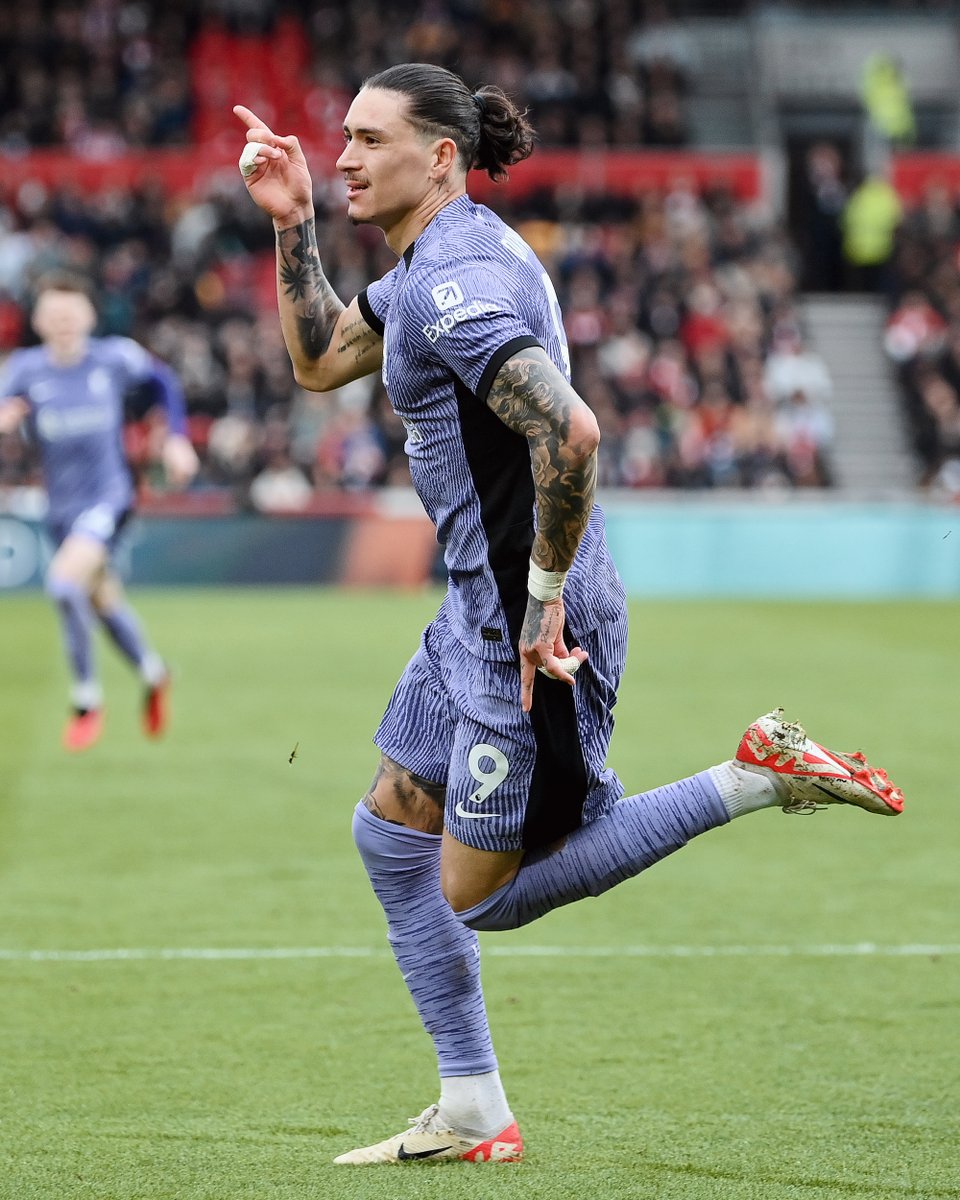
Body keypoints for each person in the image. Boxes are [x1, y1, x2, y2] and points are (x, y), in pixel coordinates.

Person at [234, 63, 906, 1166]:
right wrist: (294, 222)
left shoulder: (452, 288)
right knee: (391, 821)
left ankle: (752, 775)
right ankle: (472, 1109)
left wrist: (543, 605)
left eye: (367, 138)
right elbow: (317, 363)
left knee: (478, 897)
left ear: (441, 155)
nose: (343, 153)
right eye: (340, 136)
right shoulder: (436, 268)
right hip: (476, 611)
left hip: (526, 630)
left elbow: (574, 433)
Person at [0, 273, 198, 751]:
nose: (65, 323)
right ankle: (154, 672)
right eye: (54, 315)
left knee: (64, 584)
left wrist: (175, 438)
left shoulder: (113, 358)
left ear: (89, 316)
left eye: (73, 314)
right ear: (39, 321)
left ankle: (86, 700)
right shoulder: (25, 369)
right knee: (100, 600)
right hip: (60, 509)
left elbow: (163, 381)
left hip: (109, 499)